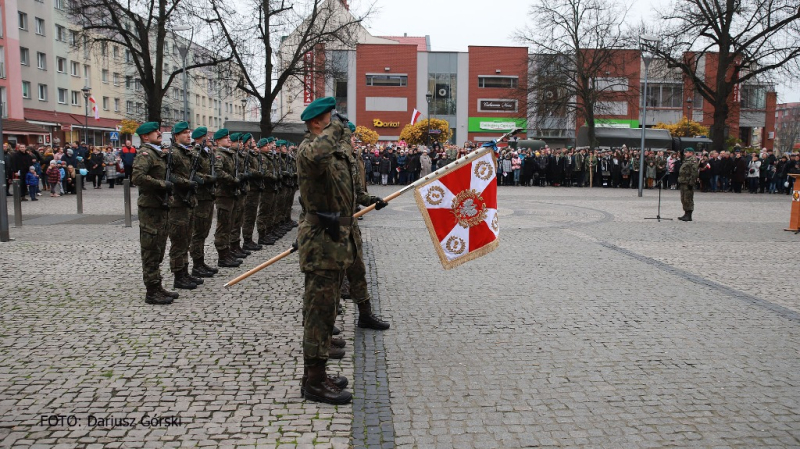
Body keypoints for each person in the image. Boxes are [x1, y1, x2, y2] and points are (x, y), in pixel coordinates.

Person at [295, 97, 357, 405]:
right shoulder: (309, 149)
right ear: (318, 122)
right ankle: (314, 382)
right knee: (318, 314)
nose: (337, 124)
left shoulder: (329, 150)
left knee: (327, 308)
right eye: (331, 119)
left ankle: (316, 375)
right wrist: (335, 130)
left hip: (333, 237)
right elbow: (319, 153)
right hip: (320, 241)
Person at [131, 122, 177, 305]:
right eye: (155, 132)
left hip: (160, 206)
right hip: (150, 208)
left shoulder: (157, 153)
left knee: (158, 248)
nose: (159, 133)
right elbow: (137, 177)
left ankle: (157, 286)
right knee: (150, 249)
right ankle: (151, 291)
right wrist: (161, 184)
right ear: (145, 136)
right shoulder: (145, 154)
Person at [167, 121, 204, 290]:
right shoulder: (172, 153)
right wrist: (186, 183)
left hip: (188, 202)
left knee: (187, 238)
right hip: (178, 202)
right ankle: (178, 275)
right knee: (178, 240)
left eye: (189, 132)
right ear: (176, 136)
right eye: (185, 133)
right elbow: (170, 176)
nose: (189, 135)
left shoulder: (187, 153)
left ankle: (185, 272)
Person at [189, 127, 219, 278]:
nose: (208, 139)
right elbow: (193, 173)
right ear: (200, 137)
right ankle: (196, 264)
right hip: (200, 197)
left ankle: (201, 262)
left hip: (208, 196)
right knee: (198, 232)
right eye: (206, 136)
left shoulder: (207, 153)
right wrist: (208, 179)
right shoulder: (195, 153)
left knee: (204, 231)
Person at [212, 129, 243, 268]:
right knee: (223, 225)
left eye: (229, 138)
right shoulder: (219, 155)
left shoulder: (229, 154)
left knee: (230, 224)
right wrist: (233, 180)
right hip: (223, 194)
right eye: (225, 138)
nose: (228, 140)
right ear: (218, 141)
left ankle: (228, 251)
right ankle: (222, 256)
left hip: (231, 193)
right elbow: (218, 172)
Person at [678, 148, 699, 222]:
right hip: (683, 181)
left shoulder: (692, 160)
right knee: (683, 199)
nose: (685, 154)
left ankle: (689, 215)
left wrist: (691, 182)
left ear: (691, 153)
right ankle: (686, 213)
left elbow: (694, 173)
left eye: (686, 152)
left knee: (688, 199)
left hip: (688, 182)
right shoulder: (687, 160)